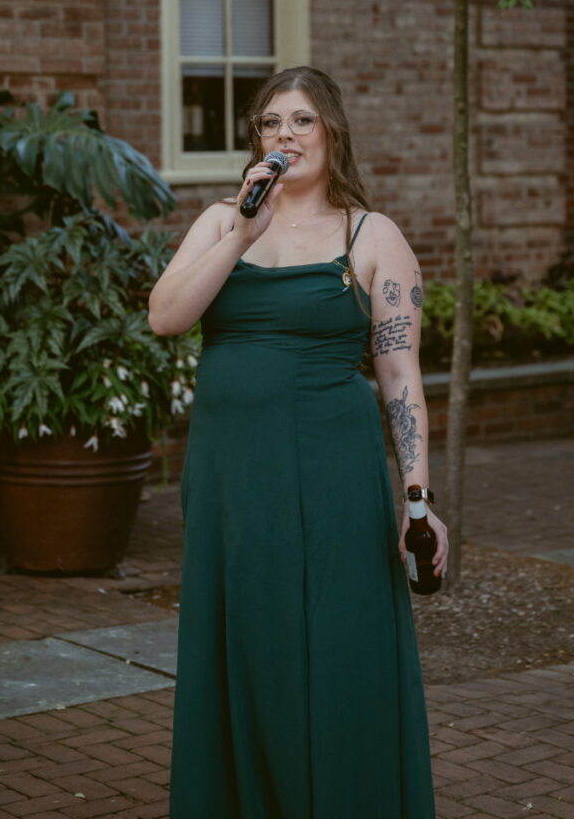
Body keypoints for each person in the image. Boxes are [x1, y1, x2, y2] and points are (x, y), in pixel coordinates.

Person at [148, 65, 448, 819]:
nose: (284, 135)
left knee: (336, 641)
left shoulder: (371, 235)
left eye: (301, 121)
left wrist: (418, 499)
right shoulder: (222, 221)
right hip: (229, 473)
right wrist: (243, 232)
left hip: (332, 470)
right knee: (247, 641)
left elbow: (400, 377)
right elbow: (166, 316)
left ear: (332, 131)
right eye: (271, 123)